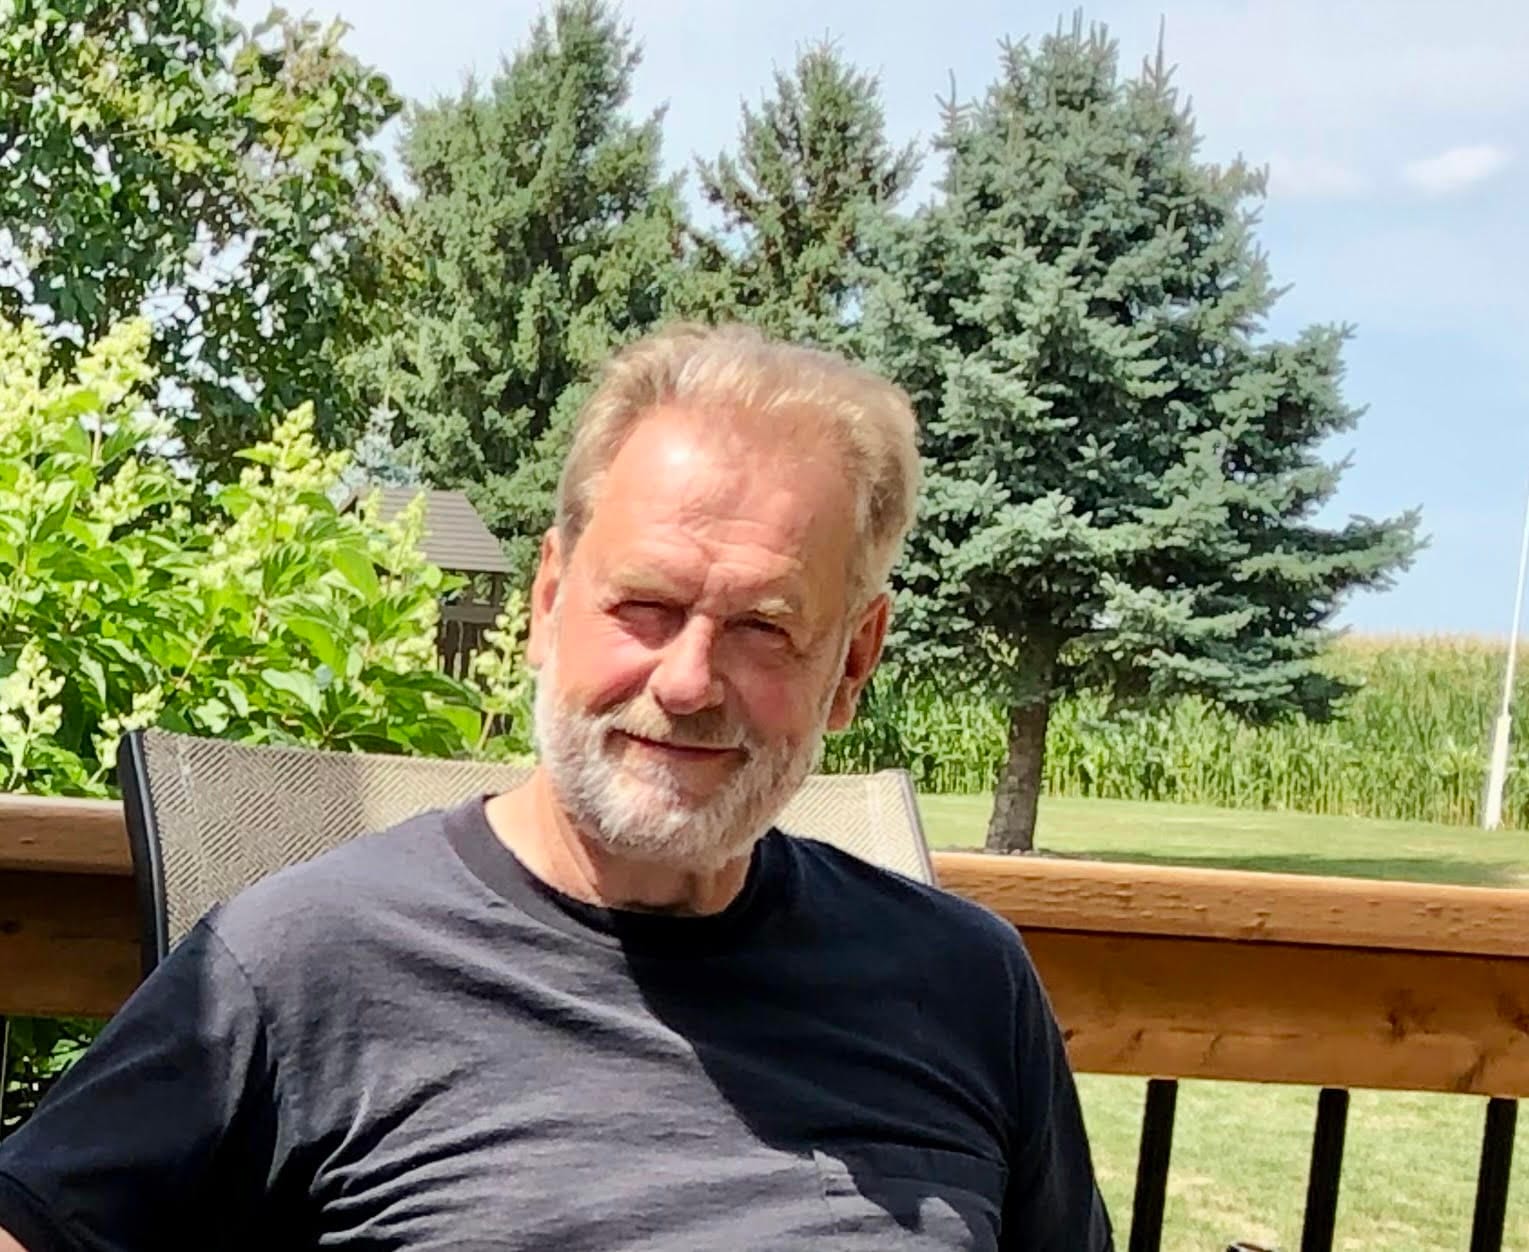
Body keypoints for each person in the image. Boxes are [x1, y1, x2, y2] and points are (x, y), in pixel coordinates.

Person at [0, 324, 1112, 1250]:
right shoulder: (304, 965)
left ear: (853, 661)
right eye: (645, 607)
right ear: (546, 600)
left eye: (763, 627)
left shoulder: (964, 986)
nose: (687, 682)